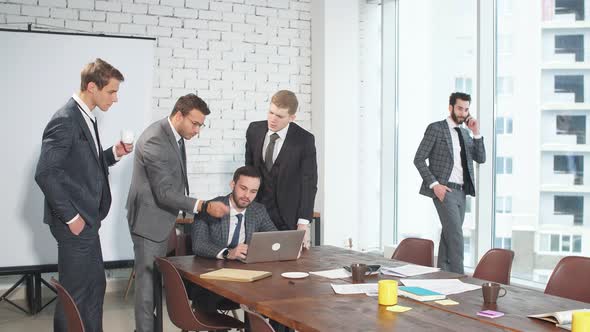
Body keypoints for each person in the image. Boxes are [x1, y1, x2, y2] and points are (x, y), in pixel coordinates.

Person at [35, 58, 133, 332]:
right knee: (74, 295)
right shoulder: (65, 120)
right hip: (75, 224)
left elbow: (81, 165)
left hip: (89, 222)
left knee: (94, 288)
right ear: (92, 87)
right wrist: (71, 217)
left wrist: (113, 154)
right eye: (111, 91)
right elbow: (45, 173)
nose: (116, 98)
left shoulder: (86, 116)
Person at [126, 93, 229, 332]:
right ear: (179, 115)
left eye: (201, 125)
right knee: (147, 293)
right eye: (195, 124)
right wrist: (202, 205)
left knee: (154, 287)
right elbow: (164, 193)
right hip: (148, 225)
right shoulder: (155, 139)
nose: (197, 130)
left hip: (162, 221)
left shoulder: (174, 135)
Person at [414, 92, 486, 274]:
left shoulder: (465, 133)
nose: (463, 113)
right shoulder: (436, 129)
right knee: (456, 236)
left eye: (466, 109)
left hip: (462, 192)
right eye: (460, 108)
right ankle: (460, 280)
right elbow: (419, 159)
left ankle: (443, 278)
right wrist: (434, 185)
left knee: (448, 236)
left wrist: (476, 132)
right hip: (445, 191)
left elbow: (481, 158)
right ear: (451, 107)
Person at [190, 165, 277, 312]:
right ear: (232, 184)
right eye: (243, 188)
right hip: (211, 278)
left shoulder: (258, 210)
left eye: (253, 191)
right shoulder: (210, 207)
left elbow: (274, 238)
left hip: (246, 278)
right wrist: (227, 253)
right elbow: (198, 244)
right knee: (207, 298)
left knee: (275, 294)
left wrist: (291, 245)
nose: (247, 195)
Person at [245, 90, 318, 250]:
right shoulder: (254, 130)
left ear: (292, 118)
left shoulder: (304, 140)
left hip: (288, 217)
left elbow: (309, 184)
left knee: (290, 267)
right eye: (271, 112)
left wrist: (303, 224)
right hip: (257, 213)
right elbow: (248, 173)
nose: (272, 119)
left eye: (280, 116)